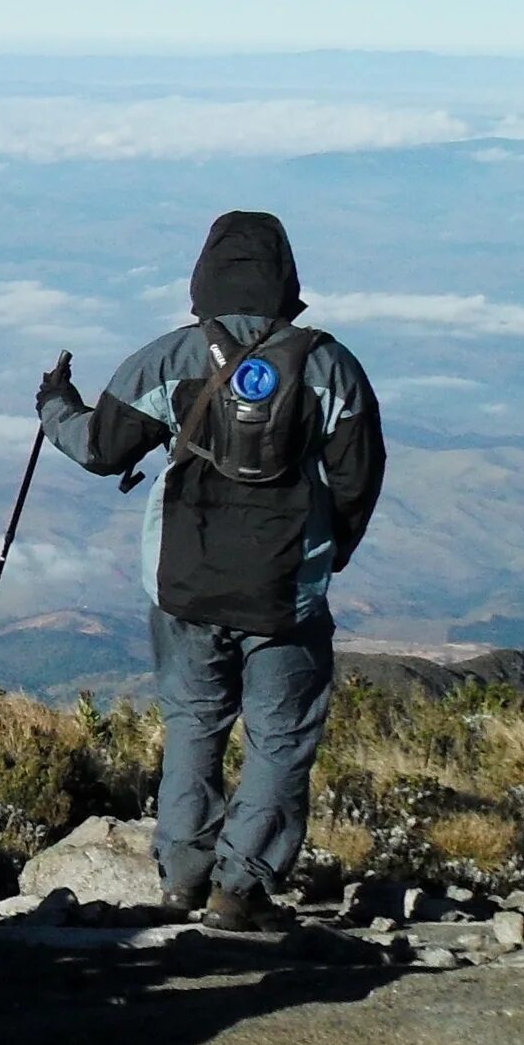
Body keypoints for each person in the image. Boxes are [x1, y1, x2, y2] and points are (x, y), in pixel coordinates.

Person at [35, 211, 385, 932]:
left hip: (183, 583)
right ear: (287, 277)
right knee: (281, 738)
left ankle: (182, 878)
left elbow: (101, 449)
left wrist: (53, 406)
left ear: (203, 276)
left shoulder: (171, 358)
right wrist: (330, 556)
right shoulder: (330, 367)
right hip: (287, 589)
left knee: (194, 723)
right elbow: (357, 481)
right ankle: (242, 889)